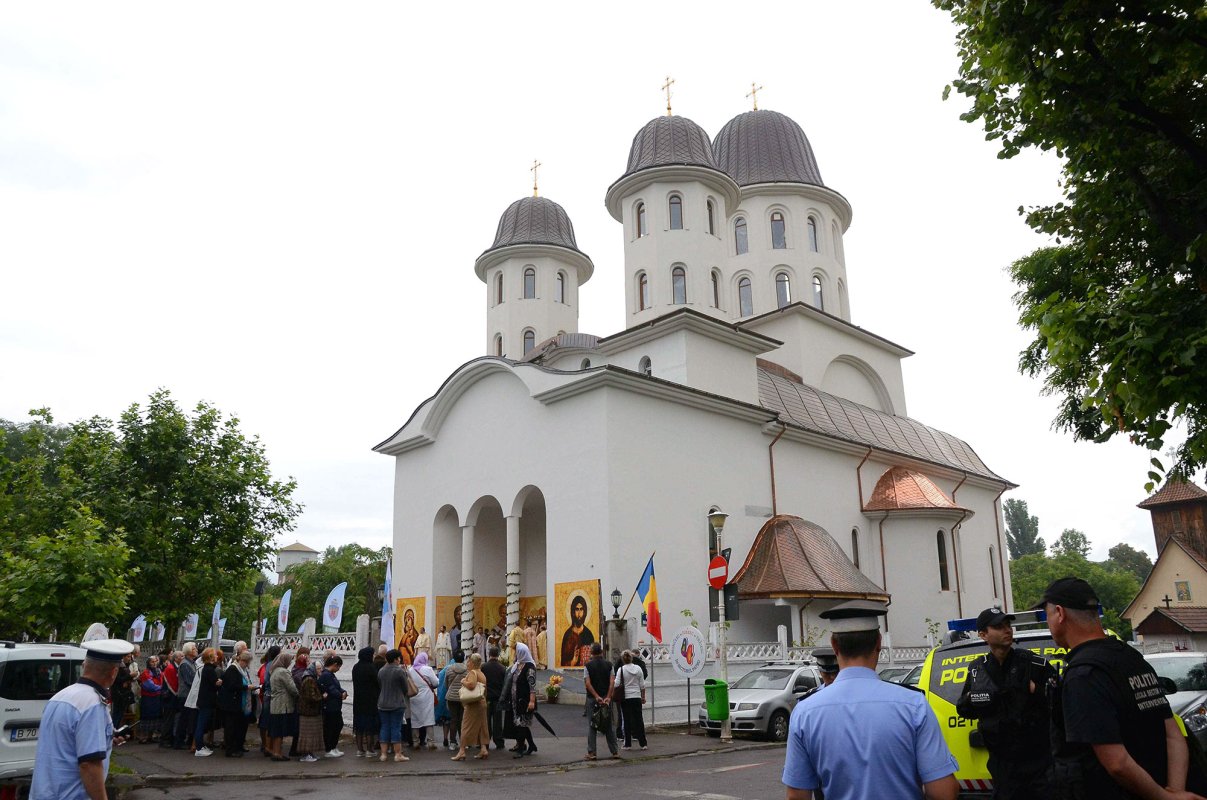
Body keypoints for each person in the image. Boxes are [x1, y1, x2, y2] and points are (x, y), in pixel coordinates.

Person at [1038, 577, 1207, 800]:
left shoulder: (1083, 675)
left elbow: (1116, 763)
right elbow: (1173, 735)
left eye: (1047, 616)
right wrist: (1175, 791)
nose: (1048, 624)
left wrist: (1165, 798)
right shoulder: (1131, 658)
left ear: (1059, 613)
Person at [782, 600, 959, 800]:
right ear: (879, 643)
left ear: (834, 646)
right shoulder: (913, 705)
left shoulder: (805, 712)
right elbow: (943, 792)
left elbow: (797, 795)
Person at [956, 606, 1055, 799]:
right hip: (1002, 767)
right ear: (984, 635)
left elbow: (1060, 700)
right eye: (999, 627)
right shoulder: (977, 669)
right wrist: (974, 698)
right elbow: (964, 708)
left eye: (1008, 625)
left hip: (1038, 766)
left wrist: (1038, 692)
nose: (1007, 630)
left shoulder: (1033, 664)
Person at [31, 639, 135, 800]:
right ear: (114, 672)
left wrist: (107, 739)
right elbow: (89, 764)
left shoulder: (61, 696)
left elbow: (67, 742)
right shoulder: (93, 705)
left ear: (84, 665)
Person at [586, 643, 620, 760]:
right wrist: (608, 697)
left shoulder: (588, 666)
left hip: (592, 699)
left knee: (592, 725)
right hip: (606, 698)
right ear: (601, 652)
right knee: (609, 725)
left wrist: (596, 696)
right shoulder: (609, 665)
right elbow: (612, 682)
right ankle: (614, 751)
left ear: (591, 653)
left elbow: (588, 683)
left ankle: (592, 752)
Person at [453, 653, 490, 761]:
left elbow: (471, 685)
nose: (467, 663)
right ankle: (483, 749)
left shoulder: (473, 673)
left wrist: (463, 681)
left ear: (472, 663)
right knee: (482, 726)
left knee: (466, 726)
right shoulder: (481, 673)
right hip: (482, 703)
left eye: (468, 661)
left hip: (473, 704)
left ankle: (462, 751)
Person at [377, 648, 411, 762]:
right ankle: (398, 754)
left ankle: (383, 754)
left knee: (385, 727)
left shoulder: (381, 671)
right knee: (396, 727)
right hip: (397, 703)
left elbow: (380, 685)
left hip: (382, 703)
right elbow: (405, 688)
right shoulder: (399, 671)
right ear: (397, 659)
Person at [217, 650, 252, 757]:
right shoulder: (233, 670)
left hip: (235, 702)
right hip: (230, 703)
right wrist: (246, 687)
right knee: (230, 727)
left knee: (235, 726)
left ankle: (235, 747)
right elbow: (231, 686)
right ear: (243, 661)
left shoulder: (239, 670)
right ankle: (230, 749)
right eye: (247, 662)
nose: (247, 665)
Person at [508, 643, 539, 758]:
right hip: (517, 701)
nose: (515, 653)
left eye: (517, 651)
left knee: (521, 725)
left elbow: (532, 686)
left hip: (525, 702)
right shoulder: (518, 664)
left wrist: (532, 701)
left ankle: (521, 749)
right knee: (522, 725)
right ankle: (531, 745)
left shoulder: (530, 667)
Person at [266, 652, 297, 762]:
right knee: (279, 731)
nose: (290, 663)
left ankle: (275, 751)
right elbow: (292, 688)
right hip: (283, 705)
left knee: (275, 730)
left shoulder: (274, 671)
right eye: (289, 660)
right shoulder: (284, 672)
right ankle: (277, 753)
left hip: (275, 704)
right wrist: (299, 695)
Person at [615, 650, 647, 750]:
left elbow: (616, 684)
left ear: (623, 660)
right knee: (639, 720)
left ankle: (627, 744)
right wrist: (643, 697)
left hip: (626, 698)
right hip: (636, 696)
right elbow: (642, 685)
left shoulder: (621, 670)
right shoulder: (638, 669)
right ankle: (643, 743)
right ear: (632, 658)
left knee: (627, 720)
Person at [352, 646, 381, 757]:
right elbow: (377, 683)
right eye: (373, 654)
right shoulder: (371, 668)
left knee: (359, 727)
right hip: (370, 700)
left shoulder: (356, 667)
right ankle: (370, 749)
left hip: (358, 700)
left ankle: (360, 749)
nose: (374, 656)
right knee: (370, 727)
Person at [192, 648, 221, 757]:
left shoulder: (207, 668)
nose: (217, 656)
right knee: (201, 724)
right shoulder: (209, 669)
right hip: (207, 701)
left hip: (205, 700)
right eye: (215, 655)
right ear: (211, 657)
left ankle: (200, 746)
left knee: (202, 723)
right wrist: (219, 682)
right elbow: (214, 683)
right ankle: (199, 747)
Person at [408, 651, 439, 749]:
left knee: (415, 719)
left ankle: (415, 742)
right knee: (428, 718)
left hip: (414, 695)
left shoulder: (410, 670)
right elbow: (435, 683)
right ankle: (431, 742)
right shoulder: (428, 669)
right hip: (426, 696)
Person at [318, 655, 346, 758]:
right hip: (330, 706)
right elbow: (331, 689)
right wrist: (340, 695)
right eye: (338, 667)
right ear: (334, 665)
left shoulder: (331, 675)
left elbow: (337, 687)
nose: (338, 669)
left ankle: (333, 747)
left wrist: (343, 692)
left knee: (337, 725)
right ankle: (329, 748)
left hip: (335, 706)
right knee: (331, 727)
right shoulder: (326, 675)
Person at [296, 668, 324, 763]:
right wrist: (322, 697)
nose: (321, 670)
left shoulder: (311, 678)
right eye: (319, 669)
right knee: (308, 734)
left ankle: (310, 753)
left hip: (310, 711)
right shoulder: (309, 679)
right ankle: (306, 754)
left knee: (311, 734)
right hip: (308, 711)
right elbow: (311, 696)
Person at [173, 642, 198, 750]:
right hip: (185, 695)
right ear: (189, 652)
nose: (196, 650)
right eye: (194, 649)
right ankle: (179, 741)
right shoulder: (185, 664)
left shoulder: (192, 663)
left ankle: (185, 740)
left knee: (188, 719)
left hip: (189, 695)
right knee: (183, 719)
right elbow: (190, 681)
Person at [483, 646, 507, 750]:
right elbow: (505, 684)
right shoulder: (502, 668)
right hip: (498, 698)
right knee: (497, 722)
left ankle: (486, 742)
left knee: (486, 721)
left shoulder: (484, 667)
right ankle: (499, 742)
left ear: (489, 654)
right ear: (498, 655)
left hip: (487, 698)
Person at [560, 595, 595, 667]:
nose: (579, 614)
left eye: (581, 609)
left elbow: (592, 658)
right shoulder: (567, 635)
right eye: (577, 609)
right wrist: (573, 662)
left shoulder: (588, 634)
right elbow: (563, 662)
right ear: (573, 612)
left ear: (584, 612)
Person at [136, 655, 164, 743]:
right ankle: (143, 737)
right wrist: (162, 688)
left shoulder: (159, 671)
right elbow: (150, 686)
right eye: (152, 662)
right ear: (148, 663)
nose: (155, 663)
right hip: (148, 699)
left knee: (155, 717)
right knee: (146, 717)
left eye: (156, 661)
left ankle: (150, 736)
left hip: (157, 698)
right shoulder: (145, 673)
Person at [158, 650, 179, 749]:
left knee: (172, 719)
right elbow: (173, 684)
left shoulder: (174, 667)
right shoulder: (171, 668)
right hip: (169, 698)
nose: (183, 658)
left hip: (172, 698)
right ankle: (164, 739)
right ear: (176, 658)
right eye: (181, 656)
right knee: (168, 720)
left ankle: (169, 738)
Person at [110, 650, 135, 731]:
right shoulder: (118, 666)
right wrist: (129, 676)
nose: (129, 658)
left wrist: (129, 679)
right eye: (128, 656)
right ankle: (113, 731)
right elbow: (117, 680)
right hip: (118, 694)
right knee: (116, 714)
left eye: (130, 656)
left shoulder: (125, 666)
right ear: (123, 657)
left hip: (124, 693)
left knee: (120, 714)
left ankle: (116, 730)